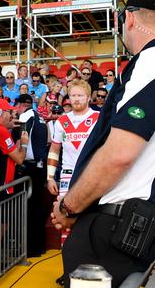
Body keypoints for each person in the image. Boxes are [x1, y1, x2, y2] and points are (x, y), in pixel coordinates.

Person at [52, 0, 155, 287]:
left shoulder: (149, 62)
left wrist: (70, 205)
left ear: (131, 18)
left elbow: (119, 155)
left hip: (118, 230)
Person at [46, 81, 98, 249]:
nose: (76, 99)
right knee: (65, 218)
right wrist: (50, 177)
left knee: (90, 218)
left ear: (89, 98)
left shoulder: (98, 118)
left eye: (80, 95)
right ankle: (67, 268)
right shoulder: (62, 120)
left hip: (91, 175)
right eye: (73, 95)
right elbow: (54, 149)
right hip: (67, 176)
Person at [15, 93, 50, 257]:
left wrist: (17, 155)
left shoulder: (26, 115)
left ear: (21, 104)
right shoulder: (39, 117)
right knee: (37, 207)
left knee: (29, 209)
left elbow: (23, 137)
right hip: (40, 166)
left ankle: (30, 248)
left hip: (30, 167)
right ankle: (38, 246)